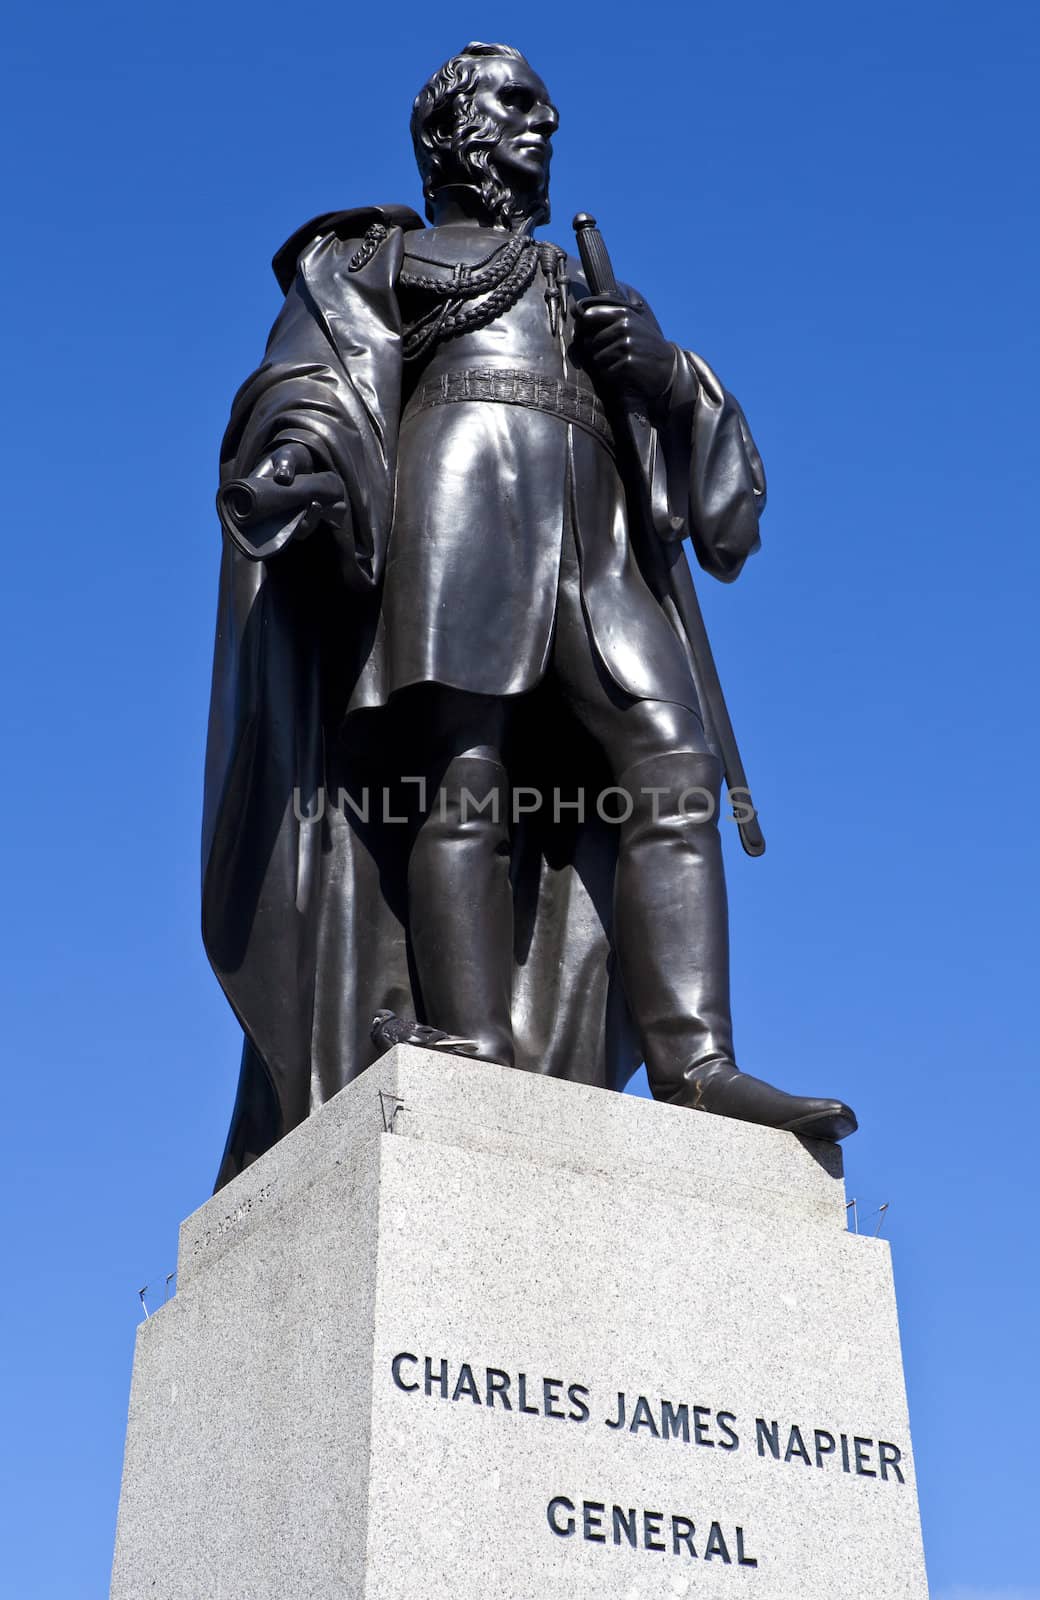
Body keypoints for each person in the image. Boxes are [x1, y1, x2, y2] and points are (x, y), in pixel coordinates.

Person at [205, 42, 855, 1189]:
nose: (542, 119)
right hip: (459, 498)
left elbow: (714, 493)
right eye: (513, 100)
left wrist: (659, 373)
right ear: (448, 127)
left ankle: (696, 1060)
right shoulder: (379, 255)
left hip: (598, 536)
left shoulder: (586, 288)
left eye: (543, 105)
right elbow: (314, 381)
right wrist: (297, 463)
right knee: (463, 769)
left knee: (672, 760)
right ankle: (474, 1037)